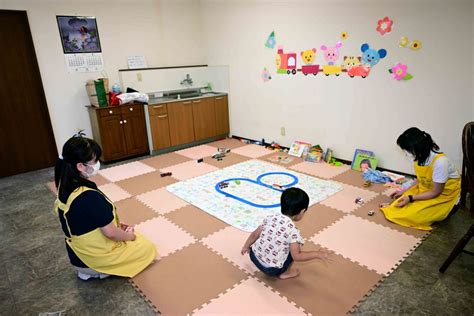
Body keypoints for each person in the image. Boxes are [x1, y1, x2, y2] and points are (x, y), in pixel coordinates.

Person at [54, 135, 156, 280]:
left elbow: (85, 220)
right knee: (146, 246)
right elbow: (111, 233)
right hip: (93, 260)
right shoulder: (88, 195)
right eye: (95, 161)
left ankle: (93, 269)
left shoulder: (64, 188)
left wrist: (117, 224)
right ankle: (102, 270)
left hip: (77, 255)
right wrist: (130, 237)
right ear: (80, 166)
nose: (97, 164)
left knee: (129, 236)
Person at [380, 127, 461, 230]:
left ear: (416, 148)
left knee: (411, 216)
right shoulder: (419, 157)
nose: (406, 154)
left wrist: (410, 198)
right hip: (426, 189)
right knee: (397, 206)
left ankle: (447, 210)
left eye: (407, 150)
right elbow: (420, 179)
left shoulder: (440, 162)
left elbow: (436, 192)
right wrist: (404, 191)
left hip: (444, 196)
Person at [241, 188, 330, 280]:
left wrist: (246, 246)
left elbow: (254, 234)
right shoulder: (293, 232)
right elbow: (297, 256)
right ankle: (285, 273)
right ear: (302, 211)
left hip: (254, 256)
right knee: (294, 249)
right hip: (271, 270)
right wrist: (317, 254)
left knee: (279, 241)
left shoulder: (270, 217)